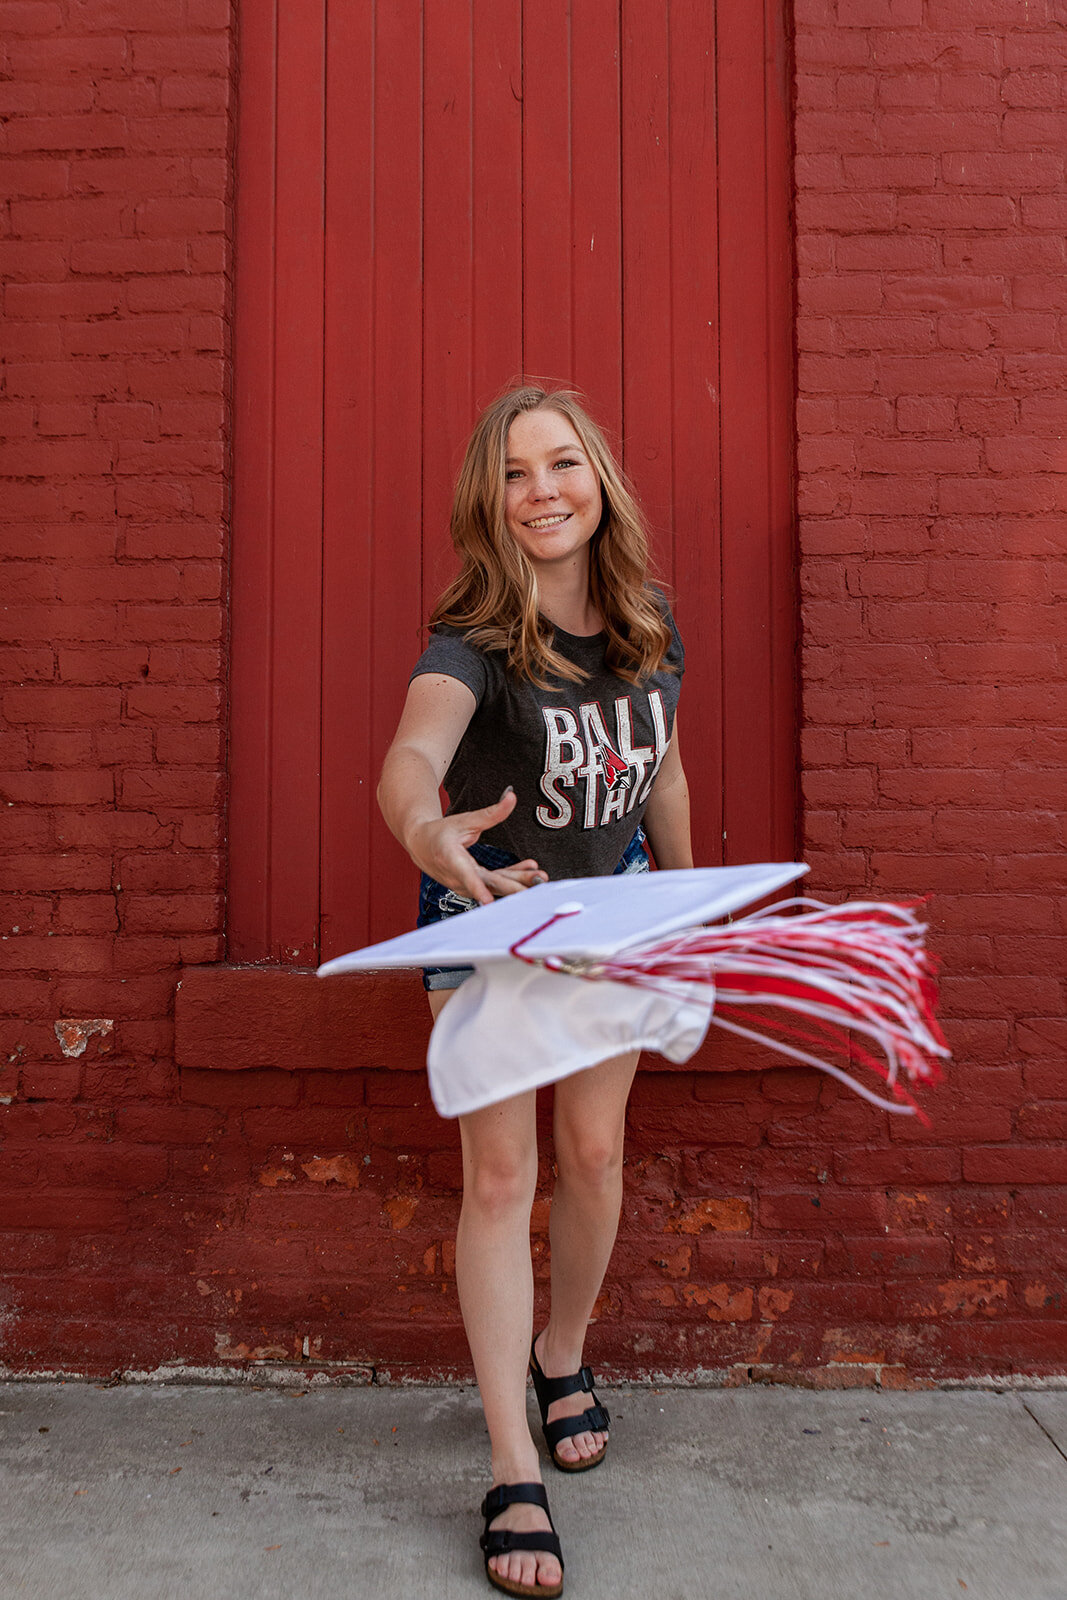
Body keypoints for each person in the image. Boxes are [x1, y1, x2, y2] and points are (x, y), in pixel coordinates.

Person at [377, 384, 692, 1598]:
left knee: (597, 1152)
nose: (542, 490)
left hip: (608, 907)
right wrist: (427, 831)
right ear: (488, 501)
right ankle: (513, 1459)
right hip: (491, 910)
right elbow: (412, 755)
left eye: (561, 464)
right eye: (514, 473)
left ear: (598, 480)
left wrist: (679, 896)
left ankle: (564, 1352)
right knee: (501, 1175)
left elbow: (659, 761)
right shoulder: (471, 641)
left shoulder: (648, 619)